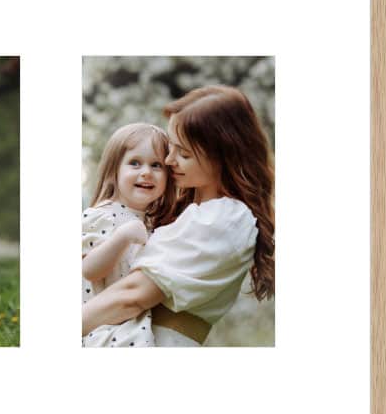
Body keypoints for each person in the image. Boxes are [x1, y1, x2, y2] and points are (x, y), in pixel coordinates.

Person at [81, 86, 275, 347]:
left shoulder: (223, 218)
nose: (171, 161)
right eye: (171, 149)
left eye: (184, 153)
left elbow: (132, 295)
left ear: (221, 154)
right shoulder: (187, 210)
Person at [81, 123, 176, 347]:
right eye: (135, 163)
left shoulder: (149, 223)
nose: (146, 172)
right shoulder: (102, 216)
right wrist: (121, 239)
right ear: (114, 171)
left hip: (131, 322)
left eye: (156, 165)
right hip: (100, 325)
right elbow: (89, 270)